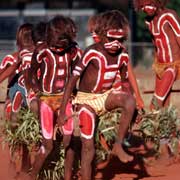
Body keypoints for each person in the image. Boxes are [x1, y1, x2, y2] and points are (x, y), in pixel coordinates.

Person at [58, 10, 136, 180]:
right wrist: (63, 111)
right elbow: (72, 81)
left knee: (130, 101)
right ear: (101, 34)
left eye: (120, 40)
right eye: (111, 39)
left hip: (105, 96)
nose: (116, 44)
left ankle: (118, 145)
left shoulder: (123, 55)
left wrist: (132, 110)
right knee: (88, 148)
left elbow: (124, 82)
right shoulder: (92, 52)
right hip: (85, 100)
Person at [29, 15, 82, 179]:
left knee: (68, 141)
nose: (58, 49)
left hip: (65, 99)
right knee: (48, 145)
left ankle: (67, 176)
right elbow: (31, 73)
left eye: (62, 46)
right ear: (48, 37)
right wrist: (38, 91)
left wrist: (75, 94)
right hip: (46, 100)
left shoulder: (73, 51)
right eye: (55, 45)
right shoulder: (41, 51)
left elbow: (75, 74)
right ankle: (32, 176)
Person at [133, 0, 180, 109]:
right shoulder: (148, 21)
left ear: (158, 2)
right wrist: (156, 62)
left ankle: (153, 124)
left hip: (172, 65)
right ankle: (165, 125)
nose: (147, 9)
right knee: (164, 103)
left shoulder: (169, 15)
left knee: (155, 104)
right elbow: (155, 43)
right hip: (159, 66)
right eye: (143, 6)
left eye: (149, 4)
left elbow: (179, 36)